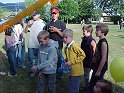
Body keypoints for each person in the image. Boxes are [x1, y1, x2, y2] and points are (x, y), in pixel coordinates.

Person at [44, 7, 66, 79]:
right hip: (49, 45)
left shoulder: (62, 23)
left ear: (58, 14)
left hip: (58, 45)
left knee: (58, 60)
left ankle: (59, 74)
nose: (53, 15)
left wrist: (57, 30)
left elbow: (64, 35)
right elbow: (45, 35)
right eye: (52, 13)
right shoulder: (48, 23)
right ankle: (50, 73)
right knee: (49, 60)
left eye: (55, 13)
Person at [63, 29, 86, 93]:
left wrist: (72, 61)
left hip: (76, 71)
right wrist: (65, 61)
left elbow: (83, 55)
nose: (64, 39)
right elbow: (69, 57)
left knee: (74, 86)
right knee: (71, 84)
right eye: (63, 37)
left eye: (66, 37)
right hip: (71, 70)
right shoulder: (67, 47)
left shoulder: (74, 46)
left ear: (71, 37)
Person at [89, 23, 109, 92]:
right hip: (96, 66)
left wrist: (99, 71)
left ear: (103, 32)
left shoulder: (103, 43)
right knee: (92, 83)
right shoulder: (100, 41)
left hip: (100, 68)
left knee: (97, 84)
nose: (95, 32)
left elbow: (104, 58)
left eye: (97, 30)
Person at [25, 10, 45, 77]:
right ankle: (32, 72)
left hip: (40, 45)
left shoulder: (43, 23)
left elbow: (45, 34)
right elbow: (25, 31)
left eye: (34, 15)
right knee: (31, 60)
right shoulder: (31, 22)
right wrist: (27, 25)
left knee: (40, 60)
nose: (33, 16)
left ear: (39, 15)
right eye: (32, 15)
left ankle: (40, 72)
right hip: (31, 45)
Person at [80, 25, 96, 90]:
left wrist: (93, 60)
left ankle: (88, 88)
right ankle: (86, 86)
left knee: (88, 75)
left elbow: (95, 51)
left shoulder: (92, 41)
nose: (83, 32)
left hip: (89, 61)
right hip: (84, 60)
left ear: (88, 31)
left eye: (84, 31)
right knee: (85, 75)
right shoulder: (84, 39)